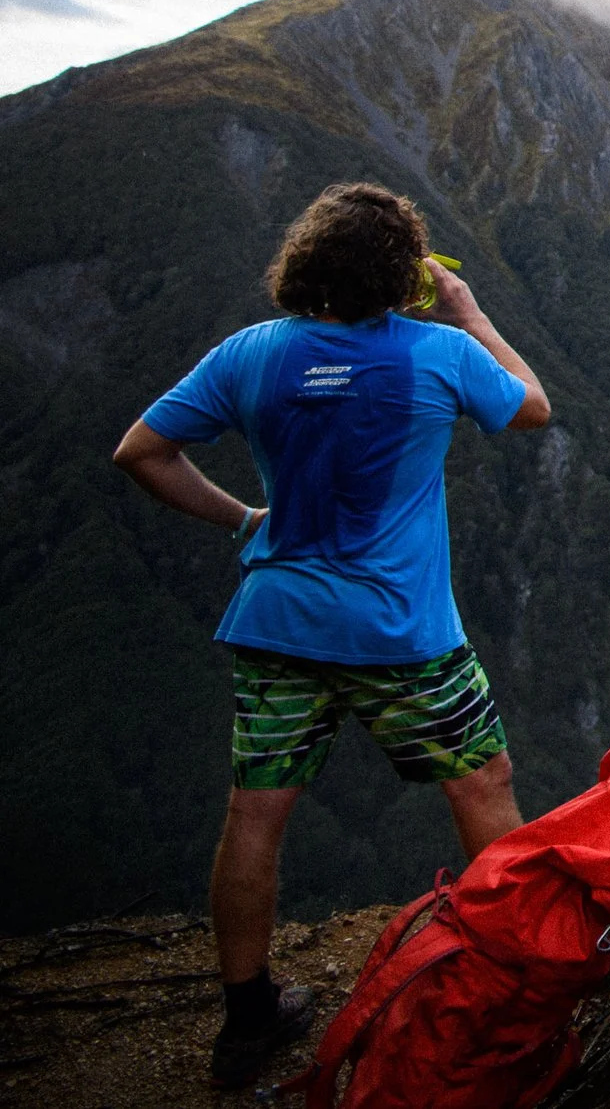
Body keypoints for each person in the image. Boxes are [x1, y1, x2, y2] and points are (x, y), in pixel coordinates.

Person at [111, 182, 551, 1085]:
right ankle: (526, 989)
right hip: (404, 632)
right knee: (482, 785)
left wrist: (243, 520)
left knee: (256, 813)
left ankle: (247, 1021)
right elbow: (533, 406)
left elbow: (142, 453)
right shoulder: (437, 354)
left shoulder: (250, 356)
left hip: (278, 624)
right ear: (404, 276)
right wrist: (470, 312)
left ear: (306, 262)